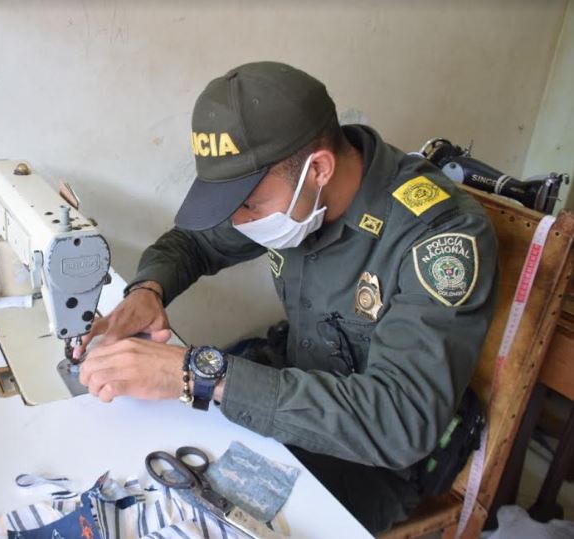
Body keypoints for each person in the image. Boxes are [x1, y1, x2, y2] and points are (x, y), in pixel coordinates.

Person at [75, 61, 499, 533]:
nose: (237, 221)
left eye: (248, 205)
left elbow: (401, 420)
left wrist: (198, 374)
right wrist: (148, 290)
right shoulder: (292, 193)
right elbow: (194, 242)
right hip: (288, 393)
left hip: (368, 461)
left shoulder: (438, 236)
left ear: (318, 169)